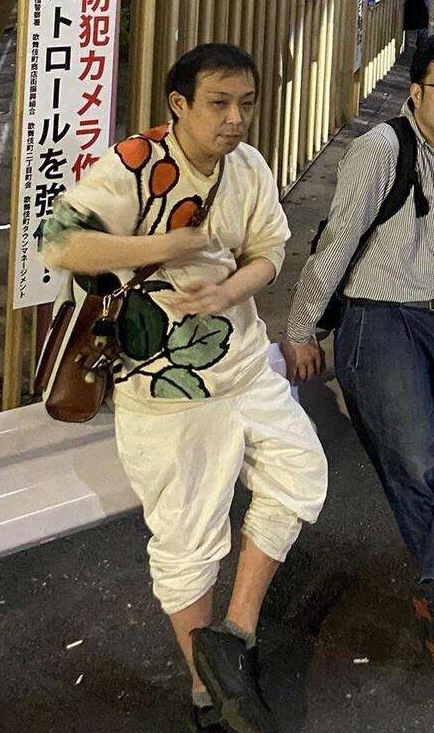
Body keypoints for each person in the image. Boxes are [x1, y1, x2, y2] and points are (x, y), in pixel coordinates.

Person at [41, 43, 329, 733]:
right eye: (219, 104)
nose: (235, 119)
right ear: (179, 104)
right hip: (166, 395)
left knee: (300, 475)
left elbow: (269, 252)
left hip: (246, 368)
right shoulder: (135, 165)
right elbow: (59, 243)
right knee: (188, 542)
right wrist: (165, 247)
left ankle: (234, 638)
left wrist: (228, 289)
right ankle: (209, 696)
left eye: (246, 104)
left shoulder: (249, 166)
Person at [282, 34, 434, 687]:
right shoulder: (380, 150)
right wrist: (301, 329)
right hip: (378, 318)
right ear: (416, 92)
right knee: (414, 464)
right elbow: (335, 244)